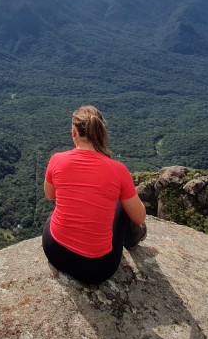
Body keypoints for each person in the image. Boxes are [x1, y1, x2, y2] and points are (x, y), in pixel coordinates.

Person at [42, 105, 148, 284]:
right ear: (100, 133)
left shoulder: (57, 159)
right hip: (97, 269)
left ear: (74, 133)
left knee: (55, 213)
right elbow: (139, 217)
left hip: (55, 252)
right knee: (122, 205)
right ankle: (132, 240)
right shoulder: (118, 171)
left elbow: (50, 195)